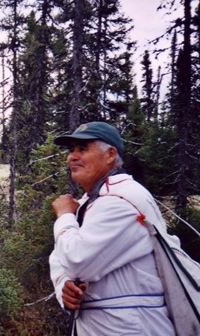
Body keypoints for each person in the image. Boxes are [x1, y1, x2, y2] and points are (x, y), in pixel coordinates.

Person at [48, 121, 176, 335]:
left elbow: (77, 260)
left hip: (131, 327)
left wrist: (64, 215)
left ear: (110, 154)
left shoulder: (120, 200)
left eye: (83, 149)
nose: (72, 157)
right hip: (106, 324)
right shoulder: (97, 199)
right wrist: (63, 283)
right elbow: (59, 255)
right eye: (71, 150)